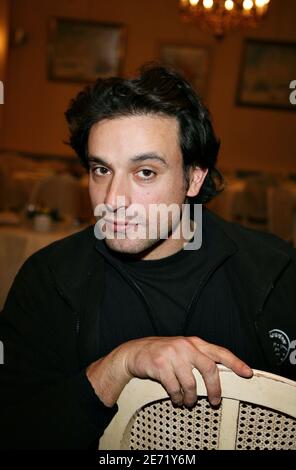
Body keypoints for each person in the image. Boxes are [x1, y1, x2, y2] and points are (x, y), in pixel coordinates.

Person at [0, 65, 295, 450]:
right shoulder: (50, 279)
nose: (112, 200)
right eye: (101, 169)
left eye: (145, 172)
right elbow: (15, 428)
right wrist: (118, 365)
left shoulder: (276, 271)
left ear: (193, 178)